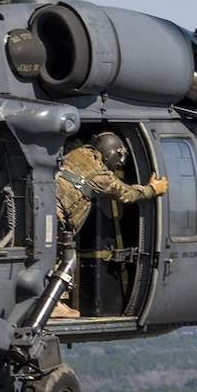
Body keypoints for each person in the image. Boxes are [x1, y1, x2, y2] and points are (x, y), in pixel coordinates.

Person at [51, 131, 168, 317]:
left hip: (41, 206)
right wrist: (152, 189)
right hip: (55, 216)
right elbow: (127, 194)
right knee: (59, 257)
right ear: (112, 154)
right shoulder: (101, 175)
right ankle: (54, 303)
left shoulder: (75, 152)